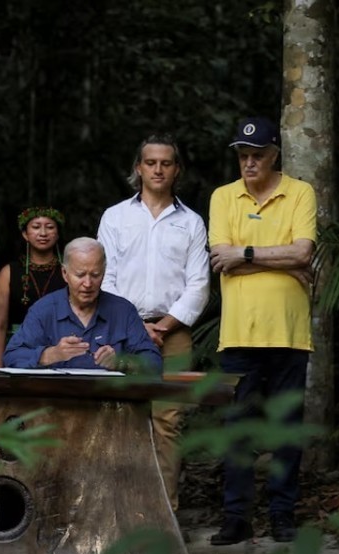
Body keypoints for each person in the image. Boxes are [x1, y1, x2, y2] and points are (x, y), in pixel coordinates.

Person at [208, 116, 316, 545]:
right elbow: (220, 255)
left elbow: (304, 253)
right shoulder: (222, 197)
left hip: (290, 333)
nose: (248, 163)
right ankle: (237, 517)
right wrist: (281, 258)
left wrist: (246, 253)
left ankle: (282, 514)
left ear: (274, 156)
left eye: (257, 155)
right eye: (242, 155)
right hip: (238, 333)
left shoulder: (300, 192)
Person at [97, 134, 210, 512]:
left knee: (167, 423)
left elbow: (198, 284)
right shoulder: (115, 217)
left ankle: (164, 516)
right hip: (121, 333)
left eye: (166, 163)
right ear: (138, 168)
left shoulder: (192, 222)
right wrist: (136, 326)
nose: (158, 169)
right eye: (151, 162)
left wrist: (162, 326)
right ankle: (119, 514)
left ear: (177, 170)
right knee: (121, 420)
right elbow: (104, 277)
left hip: (174, 336)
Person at [3, 238, 162, 373]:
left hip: (112, 403)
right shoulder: (44, 310)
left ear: (104, 273)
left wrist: (121, 362)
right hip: (56, 402)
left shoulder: (123, 311)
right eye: (80, 275)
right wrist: (51, 354)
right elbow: (12, 356)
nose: (88, 283)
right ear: (64, 273)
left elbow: (154, 362)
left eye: (95, 275)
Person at [0, 206, 67, 368]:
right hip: (19, 348)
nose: (43, 233)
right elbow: (0, 324)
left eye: (50, 227)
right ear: (25, 234)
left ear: (57, 233)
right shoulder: (9, 272)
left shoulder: (69, 272)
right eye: (36, 227)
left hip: (60, 348)